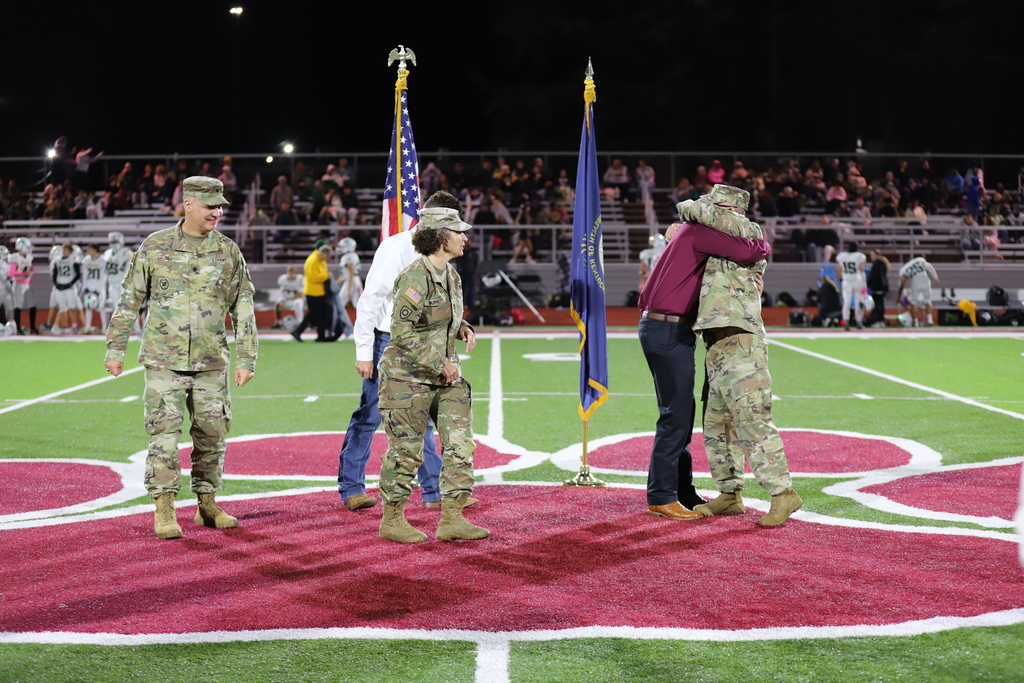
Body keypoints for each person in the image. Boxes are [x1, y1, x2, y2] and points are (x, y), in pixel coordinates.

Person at [103, 177, 258, 540]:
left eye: (220, 206)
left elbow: (243, 304)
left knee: (212, 434)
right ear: (188, 204)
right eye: (209, 205)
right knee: (164, 436)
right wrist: (115, 348)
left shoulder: (228, 251)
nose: (217, 212)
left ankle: (207, 503)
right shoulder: (155, 247)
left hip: (211, 362)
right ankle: (165, 507)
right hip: (163, 359)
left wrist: (247, 356)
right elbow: (130, 300)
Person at [637, 190, 772, 521]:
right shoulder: (701, 232)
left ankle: (681, 490)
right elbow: (749, 249)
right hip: (667, 328)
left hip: (668, 328)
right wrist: (765, 245)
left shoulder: (690, 229)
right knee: (676, 415)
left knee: (682, 412)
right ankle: (661, 496)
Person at [678, 186, 802, 527]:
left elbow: (689, 209)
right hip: (717, 341)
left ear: (730, 205)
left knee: (751, 420)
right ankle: (730, 494)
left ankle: (782, 493)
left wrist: (699, 204)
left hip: (741, 338)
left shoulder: (745, 228)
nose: (709, 204)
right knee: (718, 425)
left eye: (715, 200)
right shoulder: (721, 238)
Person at [337, 194, 463, 513]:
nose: (460, 233)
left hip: (426, 344)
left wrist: (463, 325)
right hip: (389, 341)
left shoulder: (441, 254)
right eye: (452, 225)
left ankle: (434, 491)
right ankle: (351, 487)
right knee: (370, 415)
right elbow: (370, 301)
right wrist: (364, 351)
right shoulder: (394, 247)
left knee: (424, 414)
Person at [376, 206, 486, 543]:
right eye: (458, 232)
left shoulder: (450, 275)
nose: (465, 238)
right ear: (440, 237)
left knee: (460, 445)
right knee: (406, 452)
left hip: (445, 379)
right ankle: (392, 520)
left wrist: (462, 327)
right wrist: (440, 363)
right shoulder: (414, 276)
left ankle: (452, 518)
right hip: (406, 378)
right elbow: (402, 332)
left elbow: (439, 318)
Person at [291, 243, 332, 342]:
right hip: (314, 292)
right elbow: (314, 277)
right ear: (323, 253)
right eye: (327, 256)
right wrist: (326, 276)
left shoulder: (319, 260)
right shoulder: (313, 261)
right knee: (316, 314)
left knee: (315, 314)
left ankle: (301, 332)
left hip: (318, 291)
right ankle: (317, 335)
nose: (327, 259)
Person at [103, 232, 134, 332]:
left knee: (126, 307)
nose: (113, 244)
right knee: (116, 308)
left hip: (123, 284)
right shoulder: (107, 253)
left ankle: (136, 329)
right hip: (112, 284)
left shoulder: (126, 252)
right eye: (111, 242)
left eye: (115, 242)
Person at [51, 243, 84, 334]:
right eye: (63, 249)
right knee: (62, 308)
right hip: (60, 287)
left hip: (70, 288)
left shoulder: (73, 259)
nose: (64, 251)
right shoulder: (57, 260)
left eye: (65, 249)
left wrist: (71, 283)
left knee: (72, 307)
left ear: (70, 251)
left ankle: (74, 326)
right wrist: (56, 283)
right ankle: (61, 326)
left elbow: (78, 274)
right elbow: (55, 273)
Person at [897, 256, 939, 327]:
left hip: (915, 281)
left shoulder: (904, 268)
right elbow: (929, 266)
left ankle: (915, 322)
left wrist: (900, 293)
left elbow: (903, 280)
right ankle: (930, 320)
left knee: (914, 302)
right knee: (927, 300)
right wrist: (935, 277)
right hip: (925, 279)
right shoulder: (919, 260)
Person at [9, 237, 39, 335]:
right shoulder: (15, 257)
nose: (29, 249)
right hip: (18, 284)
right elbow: (11, 272)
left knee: (33, 306)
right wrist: (24, 274)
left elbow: (31, 269)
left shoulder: (29, 257)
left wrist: (30, 273)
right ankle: (18, 328)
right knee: (18, 307)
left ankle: (32, 327)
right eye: (27, 247)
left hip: (27, 284)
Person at [836, 241, 868, 330]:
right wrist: (864, 285)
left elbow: (839, 271)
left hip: (846, 281)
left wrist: (846, 276)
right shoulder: (859, 256)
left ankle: (846, 321)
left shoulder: (842, 256)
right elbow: (861, 270)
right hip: (857, 281)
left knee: (847, 302)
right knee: (858, 302)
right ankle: (859, 322)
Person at [335, 237, 362, 334]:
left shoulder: (349, 257)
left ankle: (345, 325)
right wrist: (334, 283)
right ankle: (359, 327)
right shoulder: (351, 255)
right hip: (352, 281)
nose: (340, 248)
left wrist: (349, 289)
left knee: (340, 304)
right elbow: (344, 275)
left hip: (351, 282)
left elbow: (350, 273)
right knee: (358, 305)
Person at [80, 243, 107, 333]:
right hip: (89, 288)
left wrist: (100, 288)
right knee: (88, 306)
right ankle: (87, 327)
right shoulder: (86, 260)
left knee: (101, 307)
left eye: (90, 249)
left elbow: (105, 276)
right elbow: (84, 275)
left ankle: (104, 328)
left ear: (95, 250)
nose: (88, 251)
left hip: (99, 288)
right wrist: (85, 287)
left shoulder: (103, 260)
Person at [273, 265, 304, 329]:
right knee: (278, 304)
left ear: (295, 273)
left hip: (296, 299)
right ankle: (278, 322)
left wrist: (290, 298)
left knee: (299, 303)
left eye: (292, 272)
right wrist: (283, 299)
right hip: (286, 299)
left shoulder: (300, 279)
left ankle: (300, 323)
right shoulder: (283, 279)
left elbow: (300, 295)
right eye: (289, 272)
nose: (291, 274)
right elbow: (281, 291)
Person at [866, 249, 890, 327]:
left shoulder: (876, 264)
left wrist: (868, 284)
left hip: (877, 287)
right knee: (881, 304)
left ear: (876, 255)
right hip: (883, 286)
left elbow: (873, 276)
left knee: (877, 305)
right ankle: (881, 320)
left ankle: (877, 320)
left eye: (872, 255)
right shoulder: (883, 264)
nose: (871, 257)